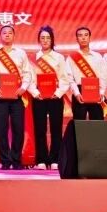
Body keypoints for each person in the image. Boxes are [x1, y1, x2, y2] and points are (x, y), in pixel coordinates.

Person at [0, 24, 34, 170]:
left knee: (18, 128)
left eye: (10, 33)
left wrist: (23, 88)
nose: (7, 35)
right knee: (2, 128)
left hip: (17, 95)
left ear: (14, 35)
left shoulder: (21, 53)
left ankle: (16, 159)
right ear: (0, 36)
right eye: (4, 33)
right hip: (0, 95)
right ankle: (5, 161)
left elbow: (27, 73)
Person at [30, 26, 67, 169]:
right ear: (39, 40)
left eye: (48, 38)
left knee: (56, 128)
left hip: (55, 97)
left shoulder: (59, 58)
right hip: (39, 97)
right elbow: (29, 79)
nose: (45, 40)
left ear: (52, 40)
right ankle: (41, 159)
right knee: (40, 128)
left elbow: (64, 79)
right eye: (42, 38)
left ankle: (55, 159)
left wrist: (57, 93)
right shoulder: (34, 58)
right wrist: (35, 93)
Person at [66, 26, 107, 121]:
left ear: (89, 37)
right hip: (79, 91)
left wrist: (101, 92)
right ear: (77, 39)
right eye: (80, 36)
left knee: (97, 123)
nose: (83, 38)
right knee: (79, 124)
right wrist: (76, 93)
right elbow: (69, 78)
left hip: (95, 91)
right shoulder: (71, 58)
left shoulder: (98, 56)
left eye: (86, 35)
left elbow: (103, 76)